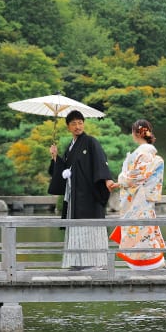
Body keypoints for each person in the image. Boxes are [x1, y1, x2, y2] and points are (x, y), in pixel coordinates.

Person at [48, 110, 113, 269]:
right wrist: (56, 158)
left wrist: (107, 179)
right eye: (74, 124)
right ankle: (77, 262)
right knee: (76, 228)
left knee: (89, 228)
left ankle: (94, 263)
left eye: (80, 123)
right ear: (68, 127)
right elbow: (64, 169)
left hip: (89, 195)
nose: (78, 126)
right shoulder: (70, 147)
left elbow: (100, 161)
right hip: (75, 196)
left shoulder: (91, 142)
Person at [107, 118, 166, 270]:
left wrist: (121, 179)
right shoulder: (150, 153)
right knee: (144, 231)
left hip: (138, 200)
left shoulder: (142, 153)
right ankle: (149, 265)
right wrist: (120, 183)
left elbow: (136, 177)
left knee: (139, 231)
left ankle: (144, 266)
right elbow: (139, 177)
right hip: (144, 198)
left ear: (135, 134)